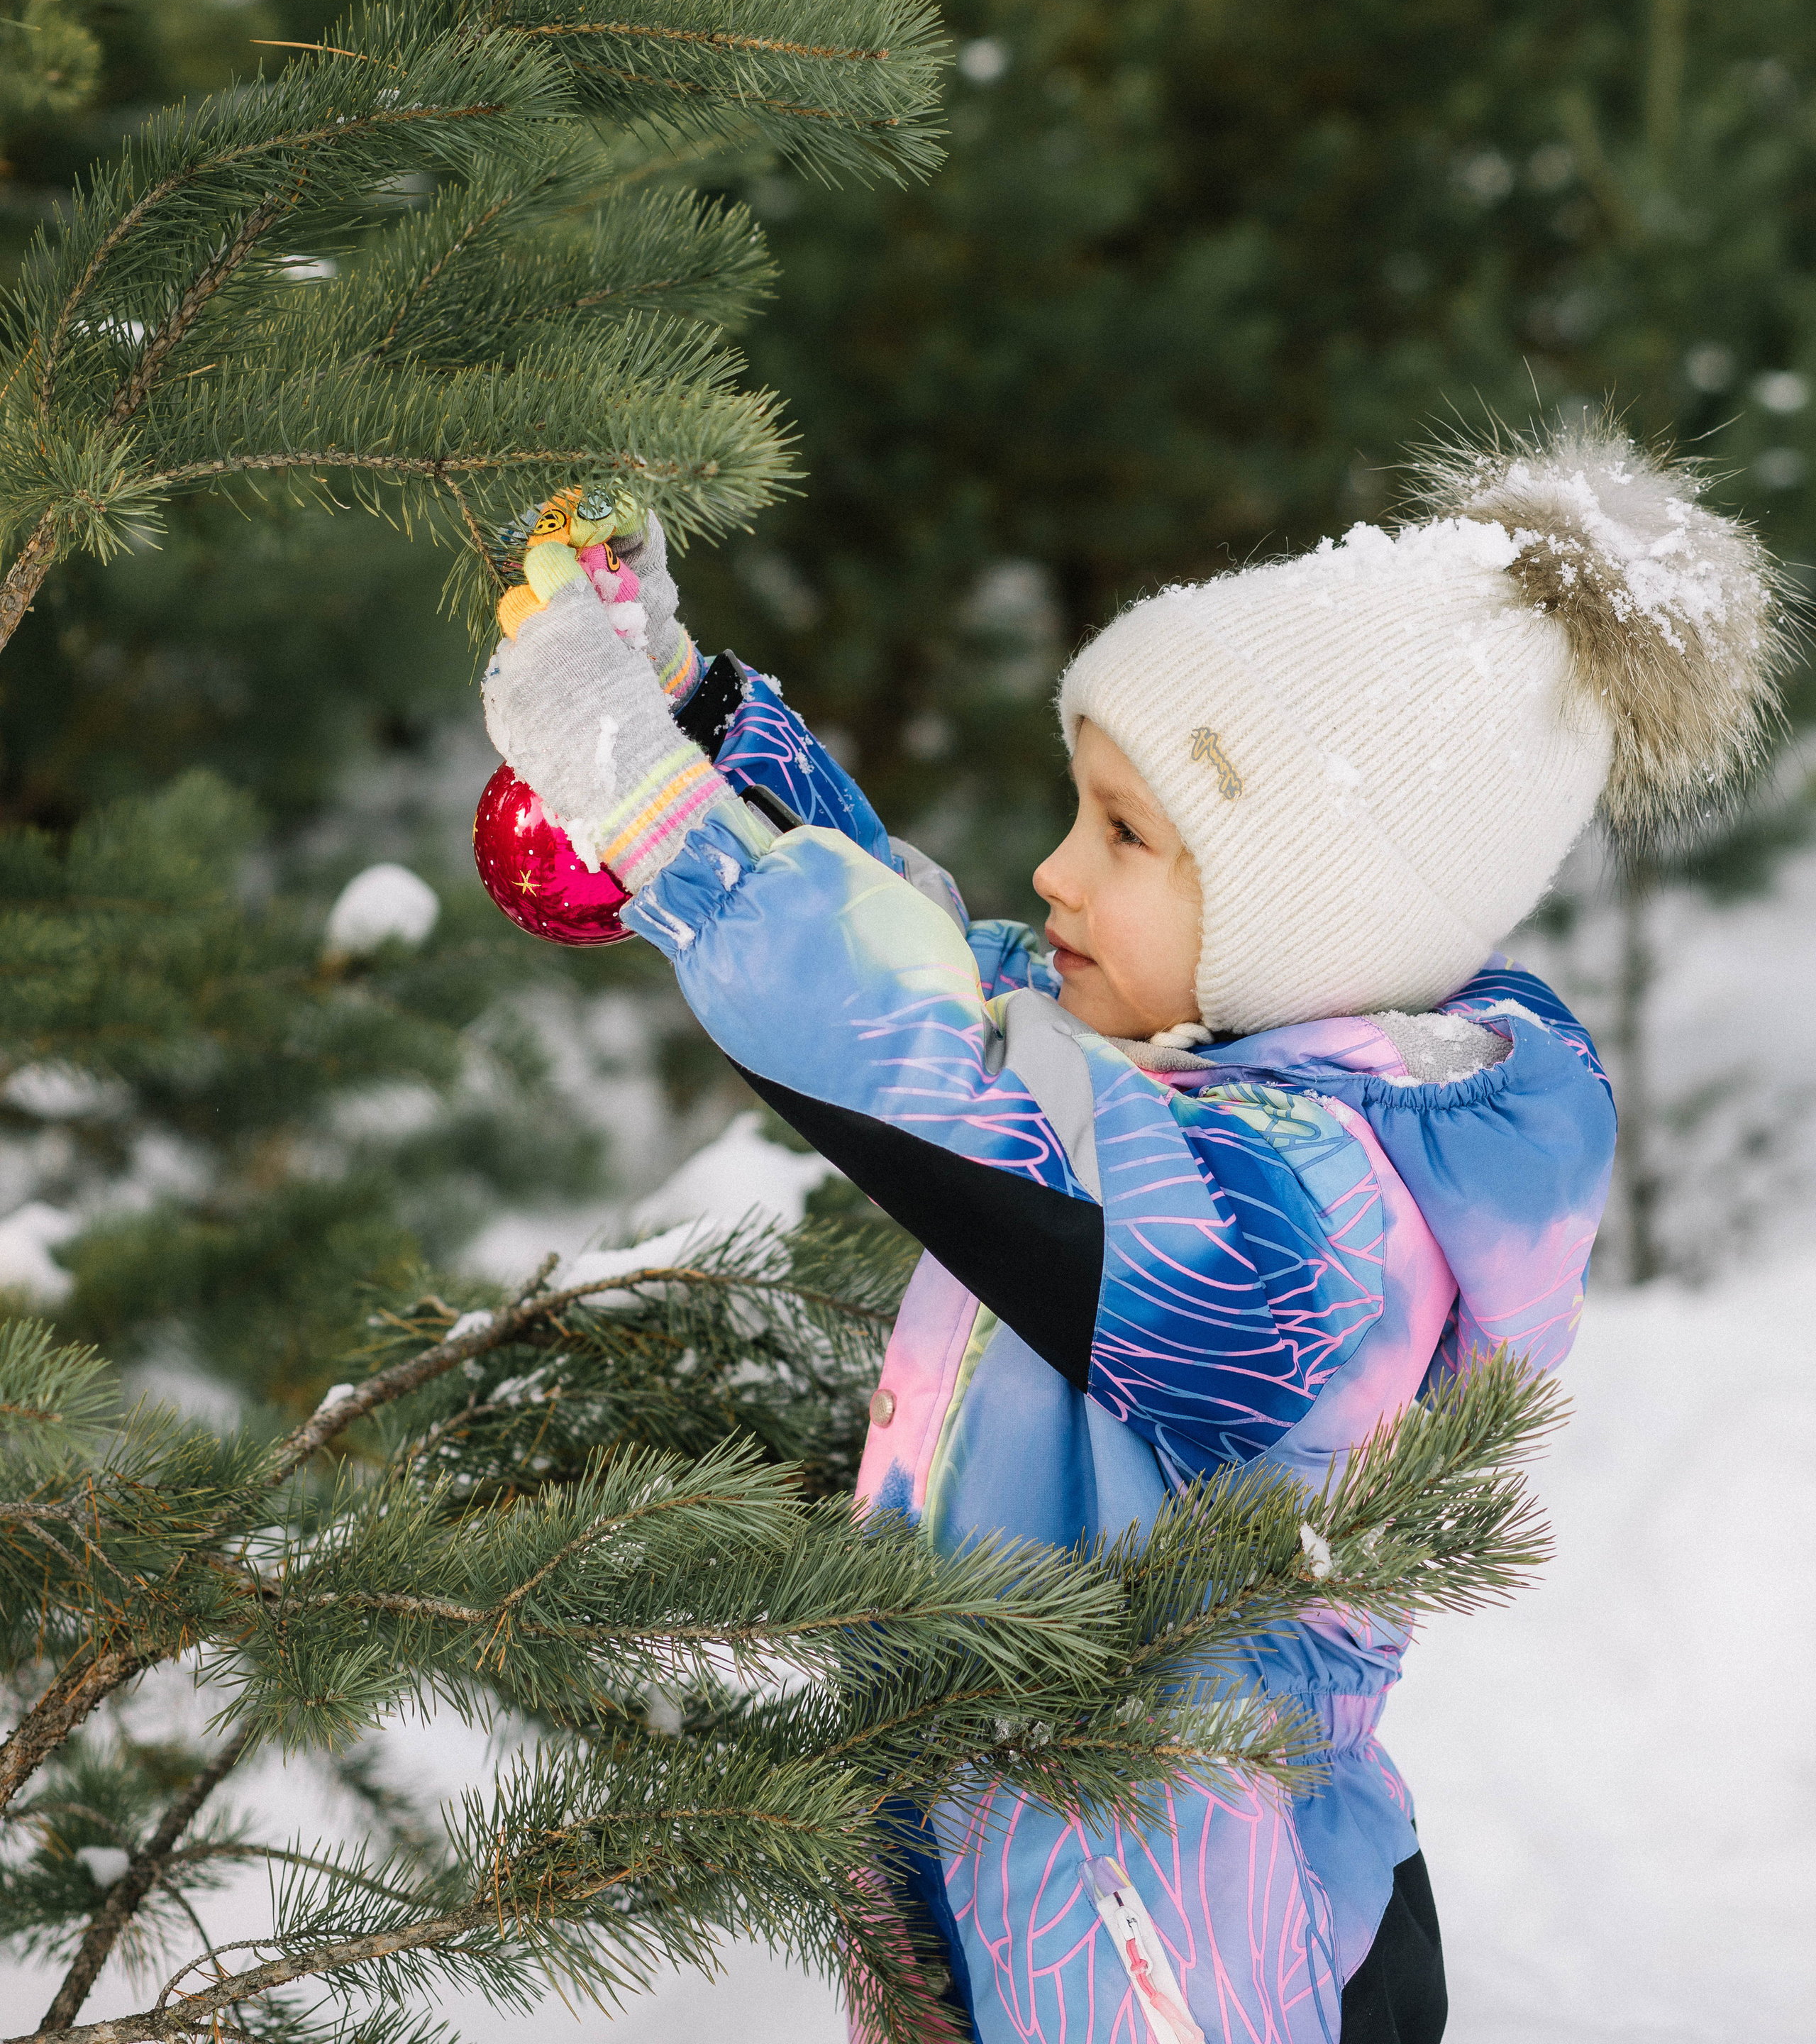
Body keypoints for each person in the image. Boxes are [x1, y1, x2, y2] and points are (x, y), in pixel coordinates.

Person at [480, 421, 1789, 2044]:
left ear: (1307, 914)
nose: (1050, 871)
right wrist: (691, 721)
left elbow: (944, 1082)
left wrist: (660, 822)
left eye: (1122, 833)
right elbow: (943, 975)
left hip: (1185, 1951)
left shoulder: (1310, 1224)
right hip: (1030, 1869)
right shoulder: (1188, 1066)